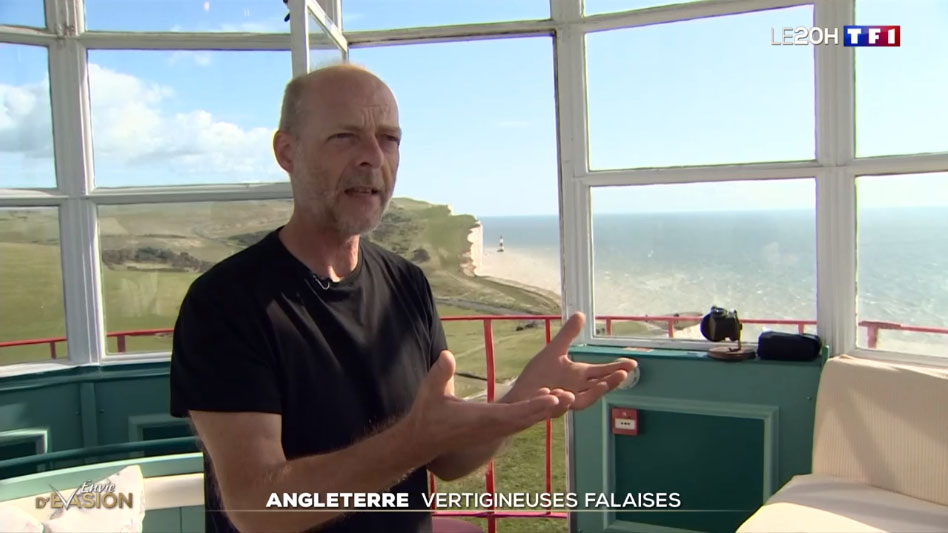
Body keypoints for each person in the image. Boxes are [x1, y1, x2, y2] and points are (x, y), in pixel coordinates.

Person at [169, 64, 636, 533]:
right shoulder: (226, 303)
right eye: (345, 137)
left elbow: (448, 458)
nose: (373, 157)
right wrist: (413, 440)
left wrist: (516, 404)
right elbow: (256, 505)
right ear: (287, 152)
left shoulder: (407, 285)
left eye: (389, 139)